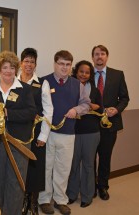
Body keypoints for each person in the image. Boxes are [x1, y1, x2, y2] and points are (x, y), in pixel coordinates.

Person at [0, 50, 37, 215]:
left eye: (12, 67)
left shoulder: (24, 89)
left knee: (16, 181)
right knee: (2, 181)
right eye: (5, 67)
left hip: (19, 143)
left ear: (16, 69)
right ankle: (6, 211)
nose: (8, 71)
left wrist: (7, 114)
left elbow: (31, 112)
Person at [38, 50, 90, 215]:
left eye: (68, 65)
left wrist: (76, 109)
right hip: (47, 134)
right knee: (46, 168)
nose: (64, 67)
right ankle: (44, 200)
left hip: (68, 134)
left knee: (63, 169)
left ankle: (60, 200)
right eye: (61, 64)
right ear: (55, 64)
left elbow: (86, 104)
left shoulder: (77, 84)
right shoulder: (43, 81)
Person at [17, 48, 53, 215]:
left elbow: (48, 110)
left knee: (35, 168)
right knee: (21, 166)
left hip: (37, 131)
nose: (29, 64)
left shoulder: (42, 84)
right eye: (26, 61)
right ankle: (23, 201)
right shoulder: (13, 82)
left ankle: (33, 203)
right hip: (18, 132)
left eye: (32, 62)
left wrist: (44, 135)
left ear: (35, 64)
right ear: (21, 63)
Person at [92, 45, 129, 200]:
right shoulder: (85, 74)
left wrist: (117, 109)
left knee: (105, 157)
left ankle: (103, 187)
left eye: (102, 54)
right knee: (89, 158)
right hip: (90, 124)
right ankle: (90, 186)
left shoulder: (118, 74)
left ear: (107, 56)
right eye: (96, 54)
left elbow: (125, 98)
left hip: (111, 124)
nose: (99, 56)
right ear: (92, 57)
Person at [66, 60, 102, 208]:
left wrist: (92, 106)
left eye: (87, 72)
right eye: (81, 71)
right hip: (72, 131)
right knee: (73, 165)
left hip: (91, 132)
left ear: (90, 75)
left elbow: (100, 109)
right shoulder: (69, 87)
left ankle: (87, 196)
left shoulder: (95, 90)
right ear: (76, 71)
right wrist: (83, 107)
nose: (84, 74)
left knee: (88, 165)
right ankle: (72, 194)